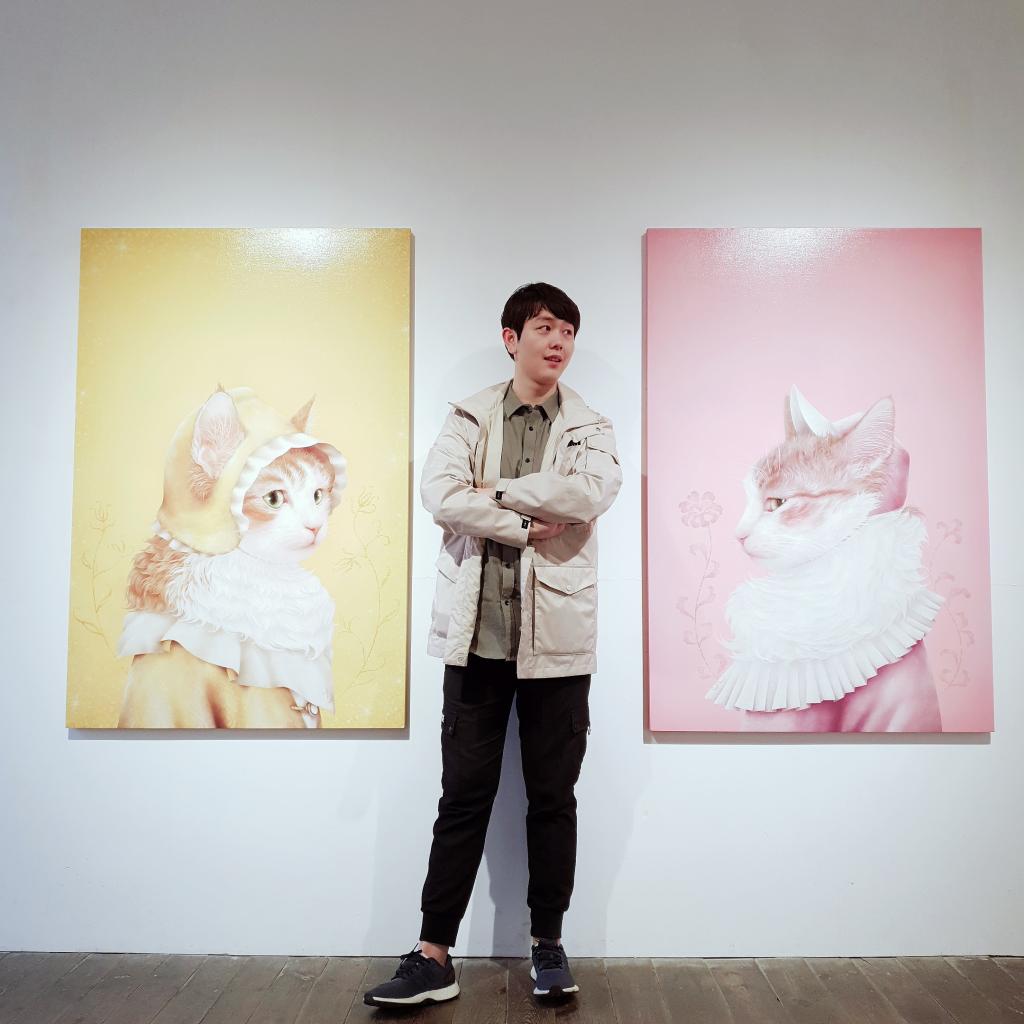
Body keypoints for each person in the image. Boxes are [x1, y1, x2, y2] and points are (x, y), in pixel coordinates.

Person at [364, 282, 622, 1007]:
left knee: (553, 800)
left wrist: (499, 492)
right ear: (511, 338)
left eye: (568, 331)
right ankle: (432, 956)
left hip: (558, 645)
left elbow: (591, 494)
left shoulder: (591, 426)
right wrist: (523, 519)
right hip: (477, 641)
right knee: (462, 799)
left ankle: (548, 946)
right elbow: (440, 494)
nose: (559, 342)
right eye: (545, 328)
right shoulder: (470, 415)